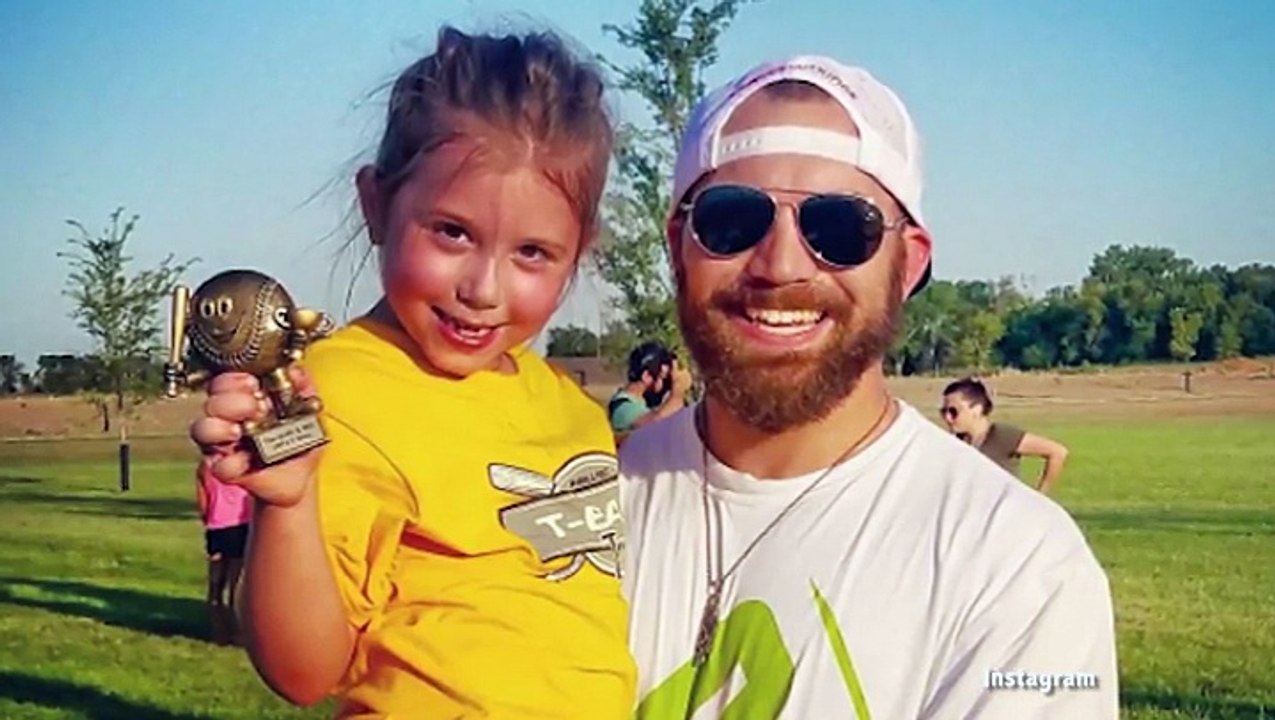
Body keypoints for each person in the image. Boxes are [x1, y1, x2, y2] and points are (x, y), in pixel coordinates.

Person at [619, 55, 1118, 718]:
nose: (782, 265)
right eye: (731, 221)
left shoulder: (1017, 567)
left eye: (839, 228)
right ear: (678, 246)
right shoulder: (583, 502)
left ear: (908, 263)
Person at [188, 26, 635, 718]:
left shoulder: (569, 410)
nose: (483, 289)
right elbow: (303, 673)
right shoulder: (330, 395)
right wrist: (288, 504)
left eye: (532, 253)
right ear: (376, 204)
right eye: (452, 232)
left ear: (580, 251)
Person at [941, 376, 1071, 493]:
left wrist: (1039, 495)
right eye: (943, 411)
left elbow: (1058, 452)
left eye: (953, 411)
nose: (947, 418)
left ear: (977, 409)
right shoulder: (957, 443)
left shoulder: (1001, 435)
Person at [195, 454, 251, 646]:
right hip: (240, 525)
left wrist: (208, 519)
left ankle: (218, 631)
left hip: (216, 527)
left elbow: (202, 501)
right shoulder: (241, 462)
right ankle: (238, 633)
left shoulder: (206, 464)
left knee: (216, 584)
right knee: (236, 584)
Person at [608, 341, 691, 439]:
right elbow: (654, 425)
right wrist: (677, 393)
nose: (666, 384)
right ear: (647, 376)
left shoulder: (642, 404)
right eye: (663, 378)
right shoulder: (623, 408)